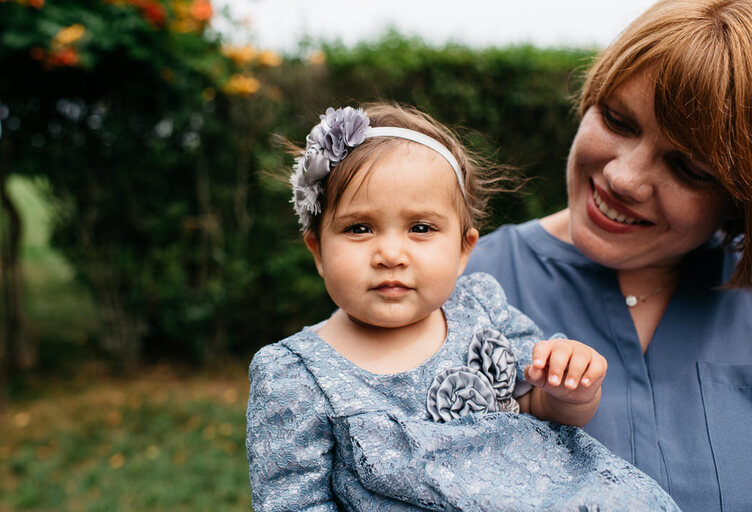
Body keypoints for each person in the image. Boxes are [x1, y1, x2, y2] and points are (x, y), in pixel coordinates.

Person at [246, 103, 679, 511]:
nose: (391, 253)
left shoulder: (482, 308)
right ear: (318, 250)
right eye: (359, 228)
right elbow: (293, 501)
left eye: (421, 228)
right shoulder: (296, 375)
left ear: (463, 250)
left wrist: (571, 391)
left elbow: (539, 410)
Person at [465, 1, 752, 511]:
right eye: (618, 121)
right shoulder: (461, 285)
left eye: (688, 169)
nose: (623, 178)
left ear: (737, 201)